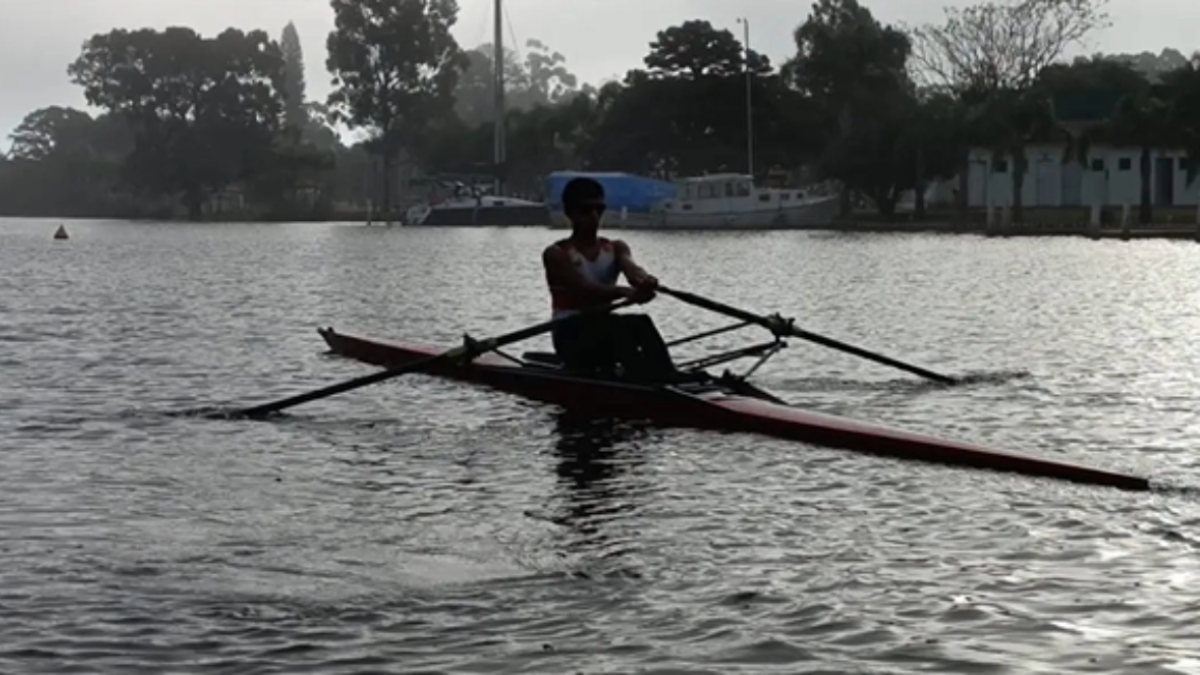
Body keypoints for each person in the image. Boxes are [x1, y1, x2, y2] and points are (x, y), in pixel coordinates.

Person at [542, 177, 676, 381]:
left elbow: (633, 271)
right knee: (619, 330)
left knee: (641, 322)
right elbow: (584, 289)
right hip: (570, 336)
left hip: (602, 332)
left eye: (599, 209)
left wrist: (646, 281)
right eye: (587, 210)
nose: (595, 216)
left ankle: (666, 375)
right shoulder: (556, 254)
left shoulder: (616, 248)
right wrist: (623, 292)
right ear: (570, 213)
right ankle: (645, 382)